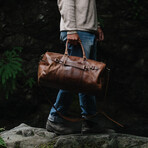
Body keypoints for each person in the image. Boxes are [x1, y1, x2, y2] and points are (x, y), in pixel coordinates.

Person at [46, 0, 104, 135]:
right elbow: (66, 2)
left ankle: (90, 121)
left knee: (87, 79)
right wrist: (71, 29)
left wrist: (96, 26)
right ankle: (54, 119)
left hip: (87, 30)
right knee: (72, 78)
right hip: (77, 31)